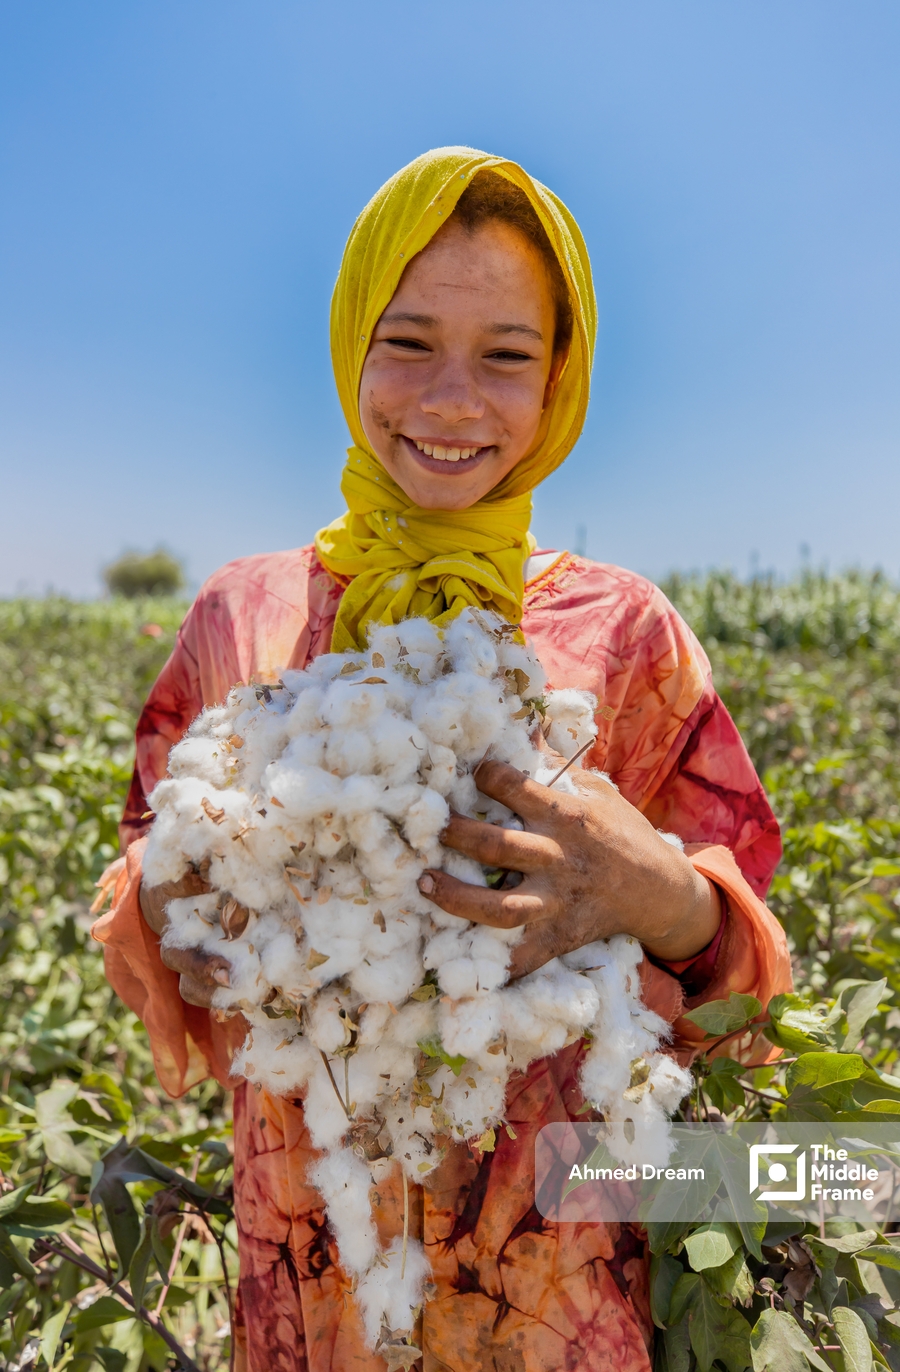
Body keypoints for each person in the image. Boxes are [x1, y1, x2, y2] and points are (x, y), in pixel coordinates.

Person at [93, 147, 792, 1372]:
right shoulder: (239, 619)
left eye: (508, 357)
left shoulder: (627, 636)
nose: (454, 399)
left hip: (562, 1273)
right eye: (408, 341)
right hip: (317, 1267)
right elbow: (142, 886)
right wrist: (184, 898)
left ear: (559, 381)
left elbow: (748, 988)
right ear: (351, 339)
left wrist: (661, 895)